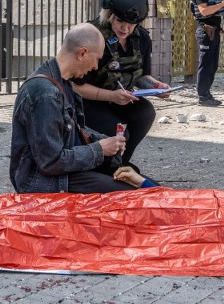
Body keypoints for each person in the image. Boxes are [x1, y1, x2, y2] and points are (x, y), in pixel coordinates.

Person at [10, 22, 147, 194]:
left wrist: (105, 141)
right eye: (96, 59)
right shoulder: (46, 94)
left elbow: (74, 130)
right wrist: (99, 149)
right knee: (127, 193)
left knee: (136, 179)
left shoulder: (62, 82)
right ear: (82, 53)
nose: (95, 67)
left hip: (60, 173)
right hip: (41, 182)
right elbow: (50, 162)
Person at [73, 0, 170, 171]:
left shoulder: (141, 38)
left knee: (144, 113)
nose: (125, 29)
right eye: (120, 22)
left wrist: (156, 86)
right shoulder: (91, 36)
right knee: (118, 129)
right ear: (109, 15)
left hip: (119, 98)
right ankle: (102, 167)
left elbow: (142, 75)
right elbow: (75, 86)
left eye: (131, 24)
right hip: (86, 101)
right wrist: (111, 96)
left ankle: (120, 164)